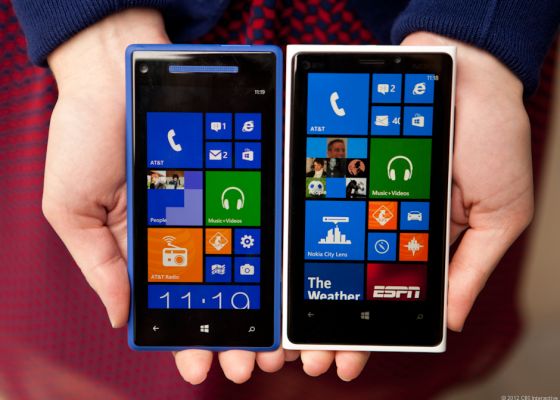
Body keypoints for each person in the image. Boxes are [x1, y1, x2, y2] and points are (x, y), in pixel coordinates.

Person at [6, 0, 560, 396]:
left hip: (417, 33)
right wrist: (90, 32)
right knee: (117, 333)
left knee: (367, 349)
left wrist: (483, 27)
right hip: (113, 46)